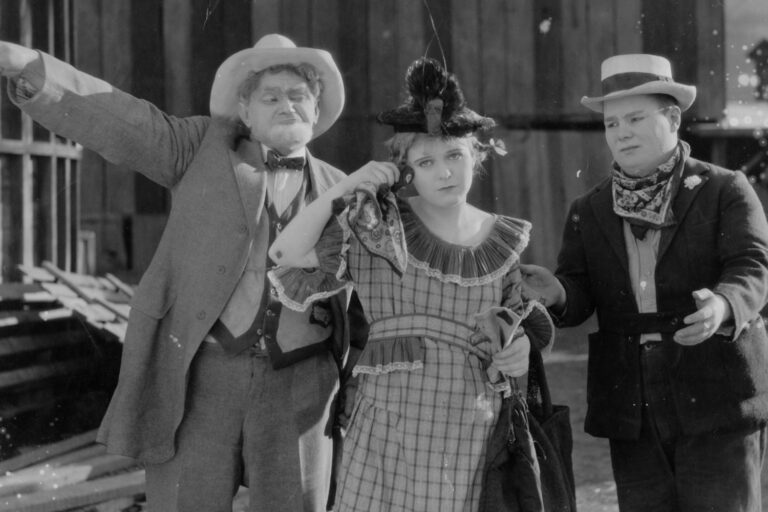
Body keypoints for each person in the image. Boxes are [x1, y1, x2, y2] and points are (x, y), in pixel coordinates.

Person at [0, 34, 369, 511]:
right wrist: (28, 66)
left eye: (298, 96)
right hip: (200, 379)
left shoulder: (346, 191)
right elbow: (121, 118)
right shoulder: (199, 149)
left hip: (303, 386)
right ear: (245, 110)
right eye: (271, 97)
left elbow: (373, 302)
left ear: (316, 110)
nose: (287, 106)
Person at [267, 57, 554, 512]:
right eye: (426, 161)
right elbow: (285, 254)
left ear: (476, 157)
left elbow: (516, 327)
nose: (444, 172)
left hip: (470, 423)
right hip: (388, 423)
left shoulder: (503, 240)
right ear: (405, 170)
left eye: (455, 155)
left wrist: (518, 348)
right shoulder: (376, 225)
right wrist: (349, 186)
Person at [522, 53, 768, 512]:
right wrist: (557, 291)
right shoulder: (589, 209)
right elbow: (579, 289)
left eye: (635, 118)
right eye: (611, 124)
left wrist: (722, 305)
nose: (622, 133)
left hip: (717, 392)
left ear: (673, 118)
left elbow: (753, 266)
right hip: (630, 403)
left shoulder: (725, 189)